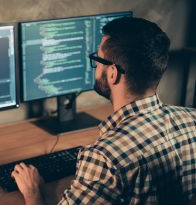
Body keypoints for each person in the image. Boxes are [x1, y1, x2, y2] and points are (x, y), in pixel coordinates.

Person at [11, 17, 196, 205]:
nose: (96, 66)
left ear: (113, 73)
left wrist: (32, 191)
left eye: (97, 59)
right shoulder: (191, 120)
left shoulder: (105, 157)